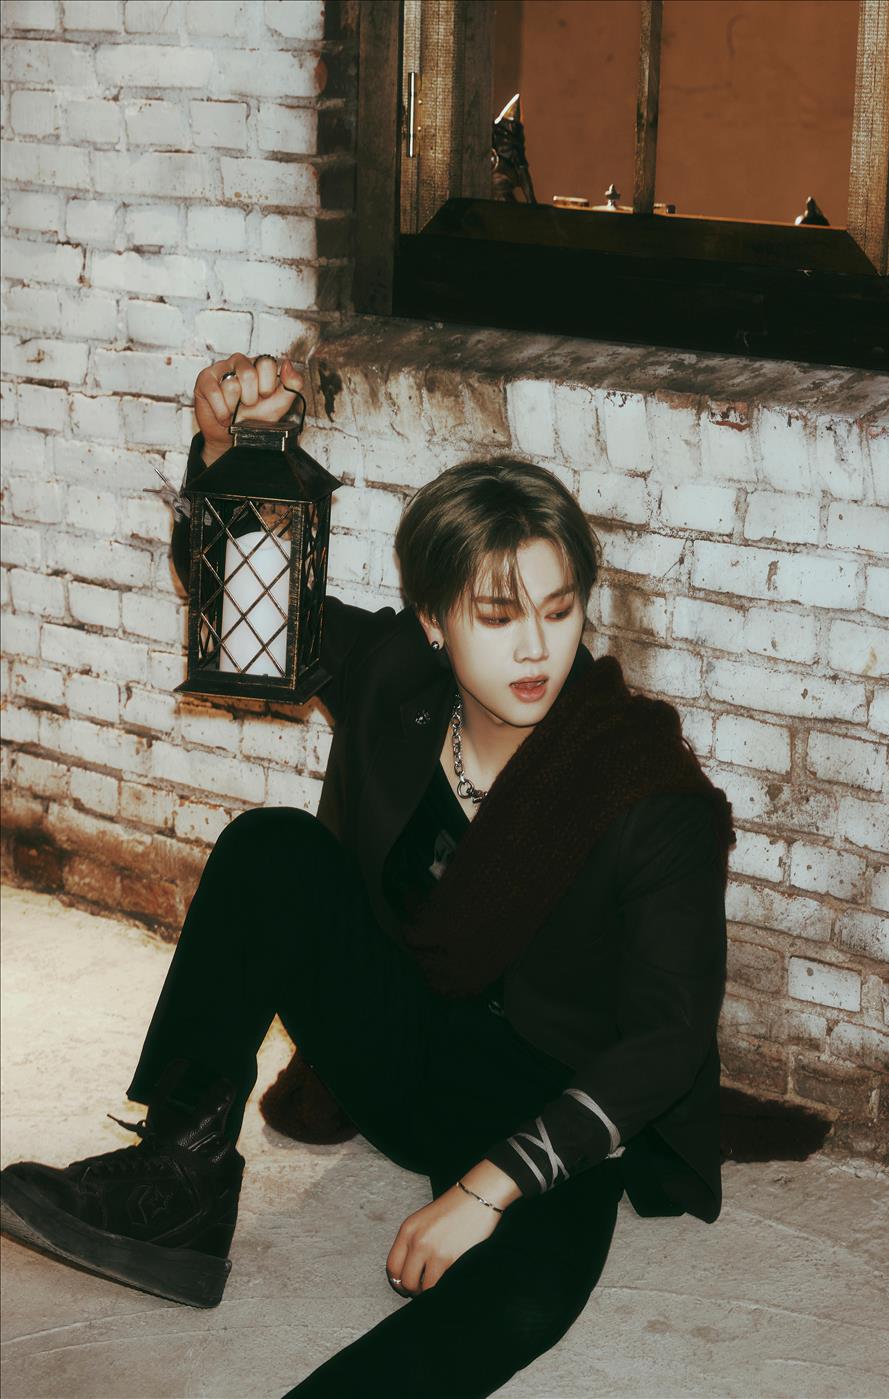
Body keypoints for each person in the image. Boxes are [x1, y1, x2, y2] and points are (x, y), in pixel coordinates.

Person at [0, 353, 736, 1398]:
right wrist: (227, 454)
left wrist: (486, 1190)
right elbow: (248, 598)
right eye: (496, 615)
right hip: (403, 1046)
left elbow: (667, 1040)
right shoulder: (398, 677)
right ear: (434, 622)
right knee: (271, 849)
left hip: (540, 1097)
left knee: (516, 1297)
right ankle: (179, 1179)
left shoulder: (644, 789)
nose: (536, 648)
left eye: (559, 609)